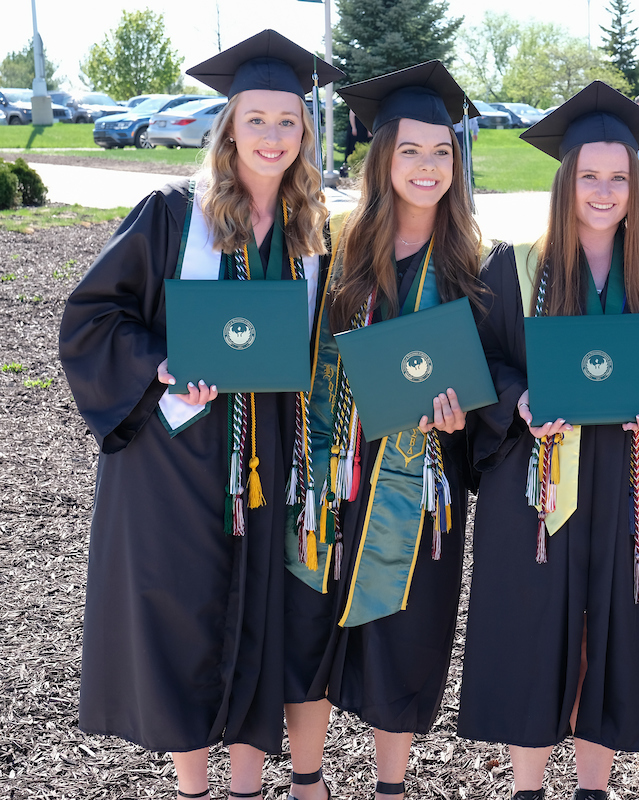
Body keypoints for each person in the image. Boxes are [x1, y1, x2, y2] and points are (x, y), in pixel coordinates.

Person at [58, 30, 342, 800]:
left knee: (263, 612)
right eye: (257, 120)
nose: (273, 138)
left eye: (289, 123)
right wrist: (160, 362)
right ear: (228, 128)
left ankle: (248, 786)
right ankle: (193, 787)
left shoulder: (312, 232)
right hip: (175, 451)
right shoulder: (170, 215)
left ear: (306, 134)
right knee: (183, 613)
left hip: (271, 452)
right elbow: (90, 319)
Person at [457, 81, 639, 800]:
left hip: (629, 478)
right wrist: (517, 398)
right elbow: (483, 362)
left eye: (617, 176)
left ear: (637, 182)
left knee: (613, 634)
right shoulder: (514, 266)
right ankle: (528, 788)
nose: (603, 189)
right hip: (536, 483)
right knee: (533, 634)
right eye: (588, 175)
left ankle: (594, 787)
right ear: (565, 181)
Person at [282, 63, 482, 800]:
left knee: (404, 634)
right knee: (307, 621)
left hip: (417, 480)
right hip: (328, 471)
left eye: (441, 153)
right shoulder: (330, 247)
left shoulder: (473, 267)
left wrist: (466, 420)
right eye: (410, 151)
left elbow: (489, 387)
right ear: (383, 157)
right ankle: (309, 782)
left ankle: (390, 787)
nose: (427, 167)